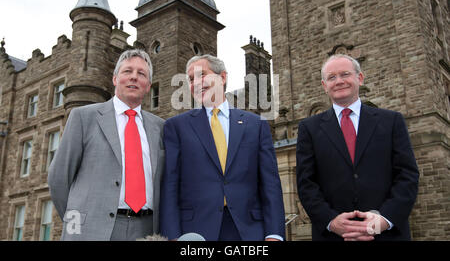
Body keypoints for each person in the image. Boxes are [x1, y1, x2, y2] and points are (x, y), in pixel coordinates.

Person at [160, 54, 285, 241]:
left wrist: (274, 234)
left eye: (202, 75)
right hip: (195, 232)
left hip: (249, 231)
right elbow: (170, 185)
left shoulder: (255, 124)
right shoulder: (176, 127)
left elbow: (270, 184)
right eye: (191, 79)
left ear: (223, 77)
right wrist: (172, 236)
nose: (195, 83)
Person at [296, 54, 419, 241]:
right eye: (332, 77)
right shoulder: (308, 128)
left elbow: (407, 175)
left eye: (345, 74)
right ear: (324, 86)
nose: (339, 81)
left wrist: (383, 220)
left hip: (387, 234)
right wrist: (331, 221)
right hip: (333, 236)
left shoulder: (392, 121)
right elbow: (306, 183)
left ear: (359, 78)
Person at [48, 49, 165, 240]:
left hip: (146, 230)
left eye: (141, 73)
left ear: (148, 86)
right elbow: (59, 178)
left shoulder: (161, 127)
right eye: (127, 71)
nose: (134, 77)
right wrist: (80, 220)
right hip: (91, 230)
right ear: (115, 79)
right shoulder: (83, 117)